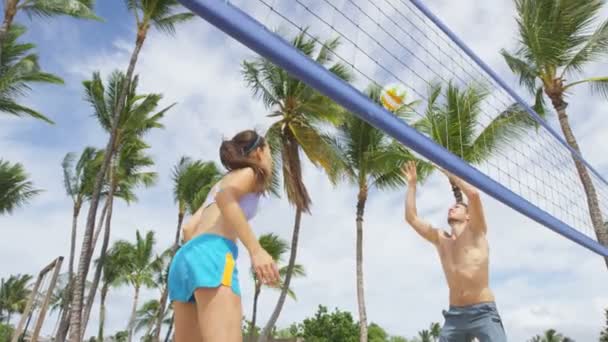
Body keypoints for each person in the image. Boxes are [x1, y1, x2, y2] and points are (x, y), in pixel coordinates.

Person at [168, 129, 280, 342]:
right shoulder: (251, 172)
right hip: (213, 254)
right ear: (259, 152)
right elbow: (225, 198)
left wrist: (198, 261)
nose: (271, 158)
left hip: (184, 260)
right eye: (270, 151)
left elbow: (188, 229)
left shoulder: (220, 183)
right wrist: (256, 251)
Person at [402, 161, 507, 342]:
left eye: (456, 207)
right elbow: (411, 218)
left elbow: (473, 195)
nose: (451, 208)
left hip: (482, 311)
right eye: (451, 207)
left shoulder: (476, 230)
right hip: (455, 315)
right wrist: (412, 185)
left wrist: (449, 171)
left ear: (468, 216)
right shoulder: (441, 239)